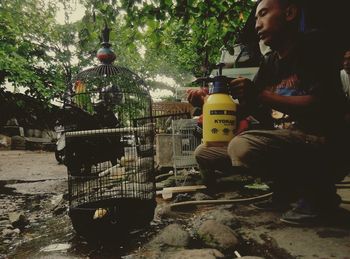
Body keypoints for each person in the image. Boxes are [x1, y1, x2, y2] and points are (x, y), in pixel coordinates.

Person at [194, 0, 348, 225]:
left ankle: (320, 197)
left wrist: (261, 95)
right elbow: (247, 110)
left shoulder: (314, 45)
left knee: (242, 146)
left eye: (263, 14)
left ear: (290, 13)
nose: (257, 24)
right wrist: (208, 104)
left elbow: (322, 104)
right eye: (256, 18)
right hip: (284, 142)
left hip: (323, 141)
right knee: (204, 152)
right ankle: (284, 192)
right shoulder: (270, 63)